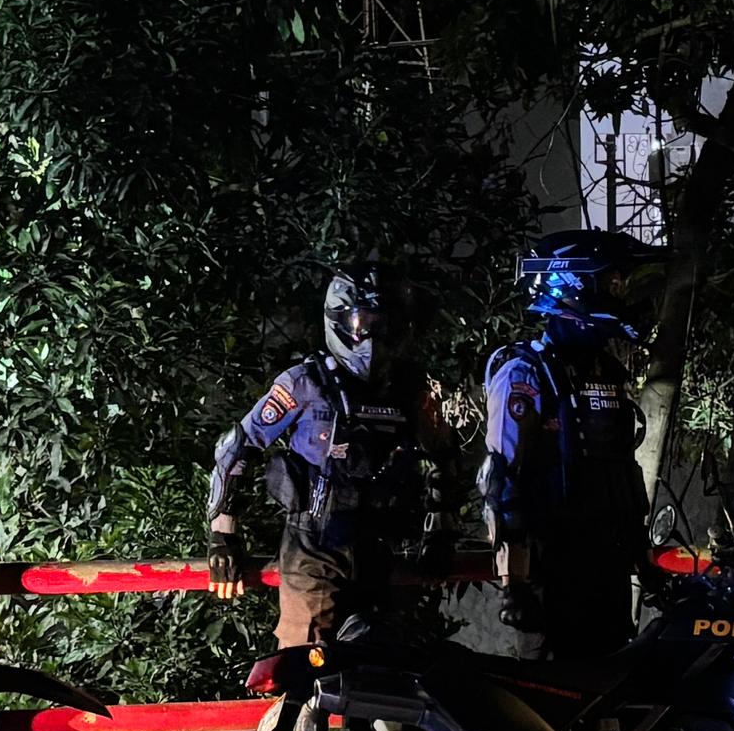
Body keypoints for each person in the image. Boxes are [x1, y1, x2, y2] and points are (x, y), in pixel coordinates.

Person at [207, 266, 450, 648]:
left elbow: (438, 460)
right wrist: (222, 537)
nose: (370, 335)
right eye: (361, 322)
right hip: (313, 548)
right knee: (303, 667)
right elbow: (238, 447)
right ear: (338, 320)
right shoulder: (306, 382)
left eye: (380, 324)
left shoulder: (406, 388)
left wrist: (439, 531)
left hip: (377, 547)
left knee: (375, 675)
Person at [479, 231, 660, 665]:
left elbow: (620, 468)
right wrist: (514, 584)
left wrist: (642, 556)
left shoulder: (606, 371)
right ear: (575, 285)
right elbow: (501, 482)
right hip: (552, 571)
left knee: (615, 694)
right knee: (555, 705)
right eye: (612, 283)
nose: (620, 294)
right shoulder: (525, 371)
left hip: (609, 564)